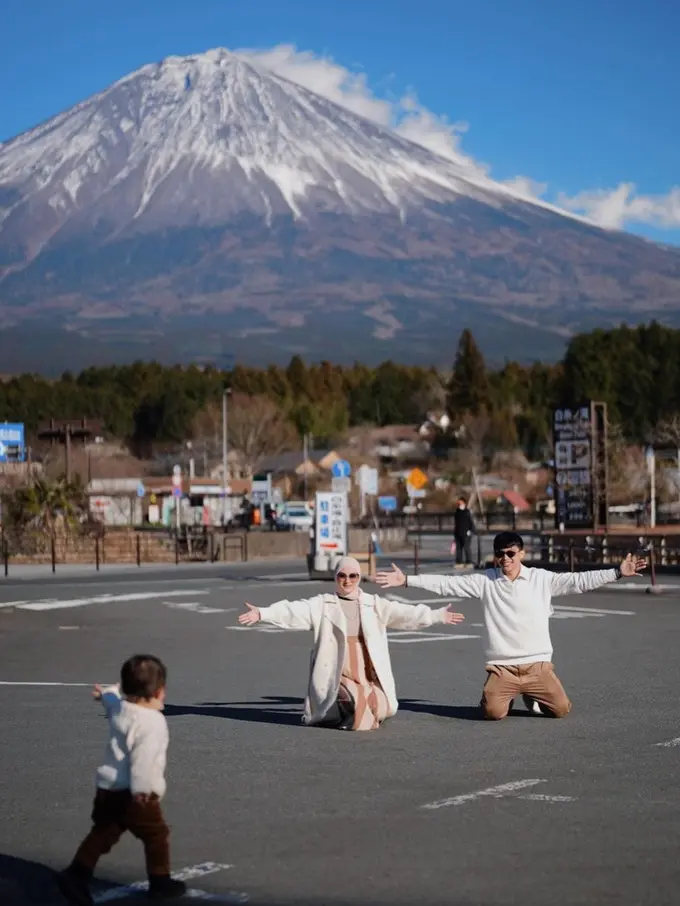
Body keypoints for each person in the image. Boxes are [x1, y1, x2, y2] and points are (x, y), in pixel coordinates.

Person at [373, 532, 647, 720]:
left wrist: (616, 573)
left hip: (537, 664)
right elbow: (446, 582)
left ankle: (531, 694)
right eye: (500, 554)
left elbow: (578, 581)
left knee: (561, 710)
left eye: (511, 553)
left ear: (521, 553)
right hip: (502, 667)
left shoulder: (541, 579)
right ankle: (504, 693)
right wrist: (407, 580)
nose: (505, 558)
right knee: (493, 713)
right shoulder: (486, 581)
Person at [238, 556, 465, 730]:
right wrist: (263, 613)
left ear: (359, 578)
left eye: (353, 576)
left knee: (382, 707)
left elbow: (405, 614)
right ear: (335, 577)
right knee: (360, 709)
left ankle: (352, 708)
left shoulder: (373, 604)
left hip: (367, 675)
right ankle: (348, 708)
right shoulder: (323, 605)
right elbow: (293, 609)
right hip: (339, 674)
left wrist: (437, 616)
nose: (347, 581)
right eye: (342, 576)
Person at [56, 655, 185, 906]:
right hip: (134, 792)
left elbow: (112, 702)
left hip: (107, 787)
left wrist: (105, 694)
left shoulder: (122, 709)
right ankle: (160, 882)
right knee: (156, 834)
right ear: (161, 691)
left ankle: (76, 875)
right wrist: (144, 791)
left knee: (103, 832)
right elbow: (143, 761)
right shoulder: (152, 723)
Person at [453, 498, 475, 566]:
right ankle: (459, 561)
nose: (459, 505)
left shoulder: (467, 512)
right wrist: (455, 532)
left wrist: (471, 531)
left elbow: (471, 522)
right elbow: (456, 523)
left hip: (466, 533)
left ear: (464, 504)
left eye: (461, 503)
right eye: (458, 504)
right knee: (458, 548)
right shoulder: (457, 512)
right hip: (458, 533)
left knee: (466, 547)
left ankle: (469, 561)